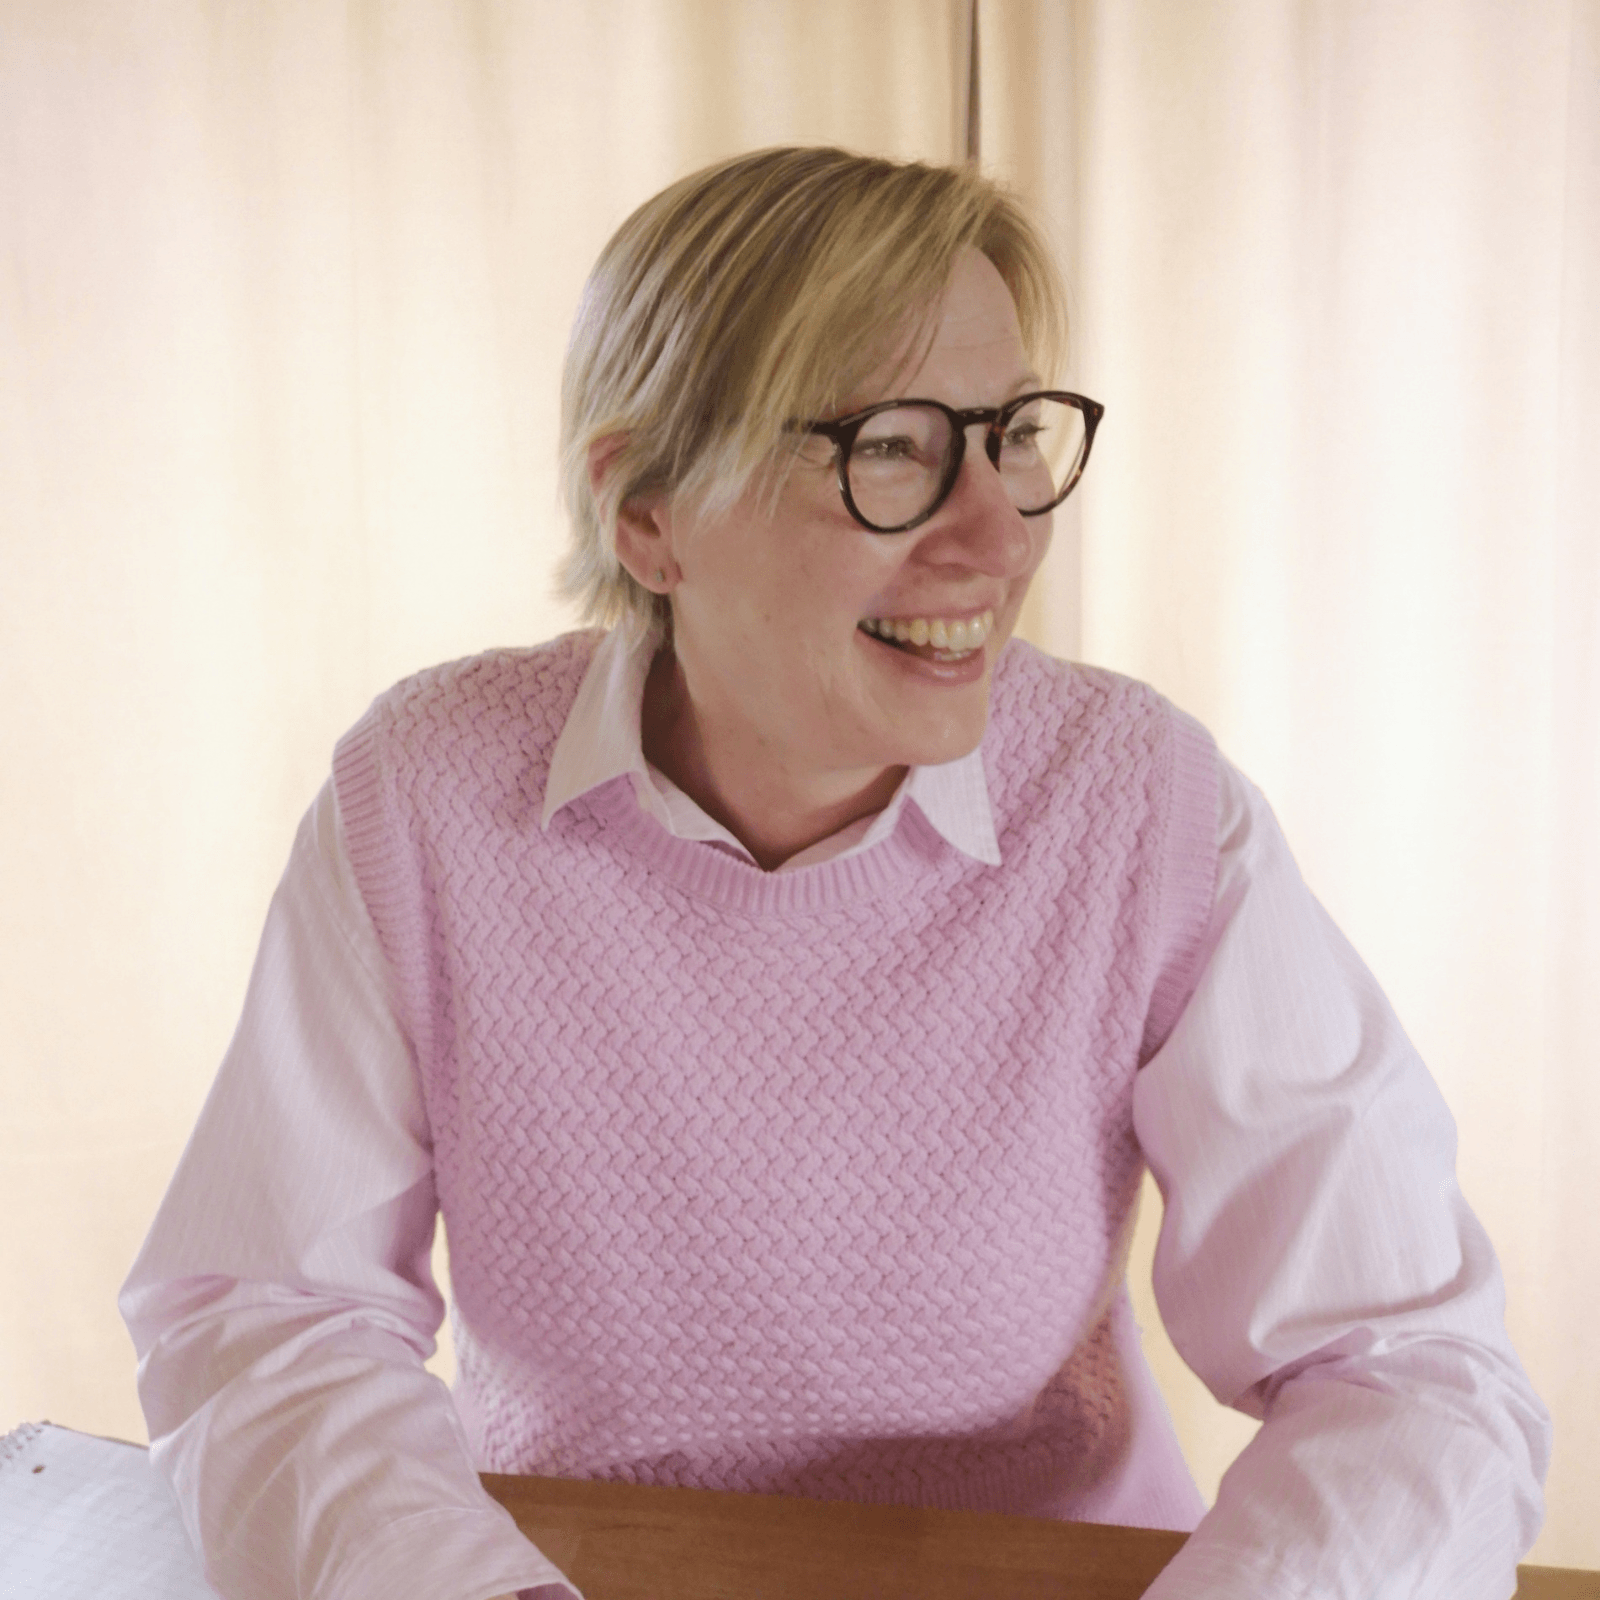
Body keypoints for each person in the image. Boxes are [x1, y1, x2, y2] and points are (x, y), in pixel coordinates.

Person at [120, 146, 1549, 1600]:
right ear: (646, 514)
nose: (999, 534)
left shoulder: (1141, 806)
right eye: (892, 448)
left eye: (1010, 437)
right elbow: (268, 1313)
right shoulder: (424, 794)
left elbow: (1408, 1365)